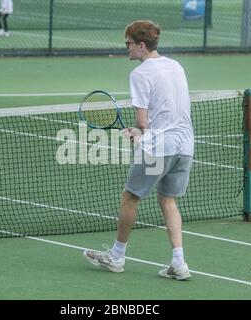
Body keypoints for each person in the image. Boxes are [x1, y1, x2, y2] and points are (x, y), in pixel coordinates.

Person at [83, 20, 194, 280]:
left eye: (129, 44)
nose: (127, 48)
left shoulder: (140, 74)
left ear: (141, 45)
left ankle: (117, 256)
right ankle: (179, 263)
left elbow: (142, 122)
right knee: (168, 200)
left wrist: (137, 133)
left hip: (159, 147)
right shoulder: (176, 66)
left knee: (130, 197)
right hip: (185, 145)